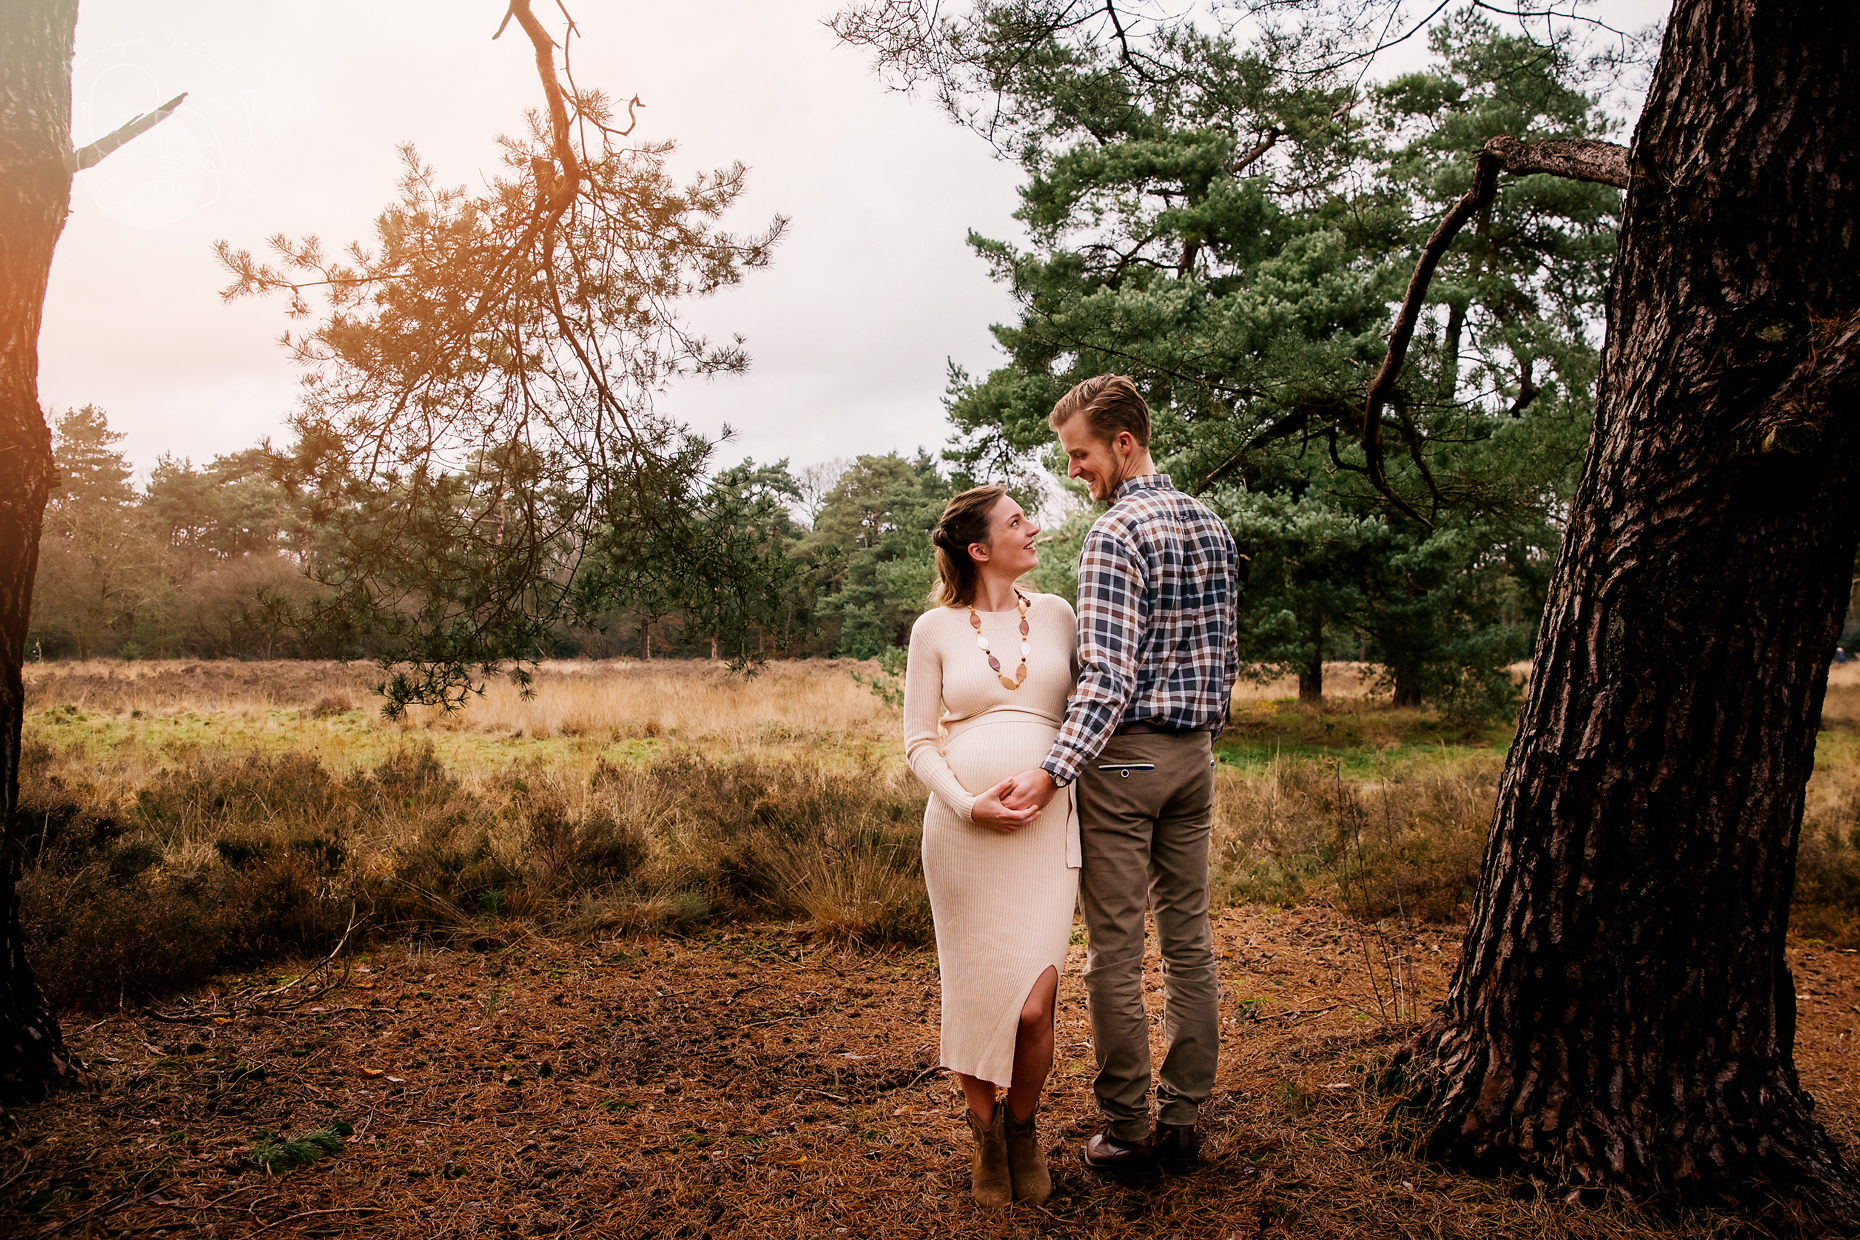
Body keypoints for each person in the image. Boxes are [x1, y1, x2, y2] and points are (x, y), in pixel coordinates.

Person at [1000, 375, 1240, 1181]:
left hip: (1127, 758)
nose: (1074, 471)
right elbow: (1224, 657)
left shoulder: (1114, 534)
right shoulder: (1212, 524)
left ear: (1123, 444)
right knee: (1188, 939)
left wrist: (1052, 770)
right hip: (1195, 758)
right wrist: (1203, 737)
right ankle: (1182, 1124)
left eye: (1080, 454)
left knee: (1113, 950)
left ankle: (1129, 1133)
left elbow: (1105, 677)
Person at [902, 484, 1081, 1209]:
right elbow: (917, 742)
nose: (1033, 527)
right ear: (979, 549)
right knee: (975, 995)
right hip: (962, 837)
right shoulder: (935, 630)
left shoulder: (1062, 616)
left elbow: (1089, 713)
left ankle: (1023, 1127)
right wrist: (967, 803)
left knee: (1037, 1004)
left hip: (1046, 833)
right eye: (1016, 521)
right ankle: (984, 1137)